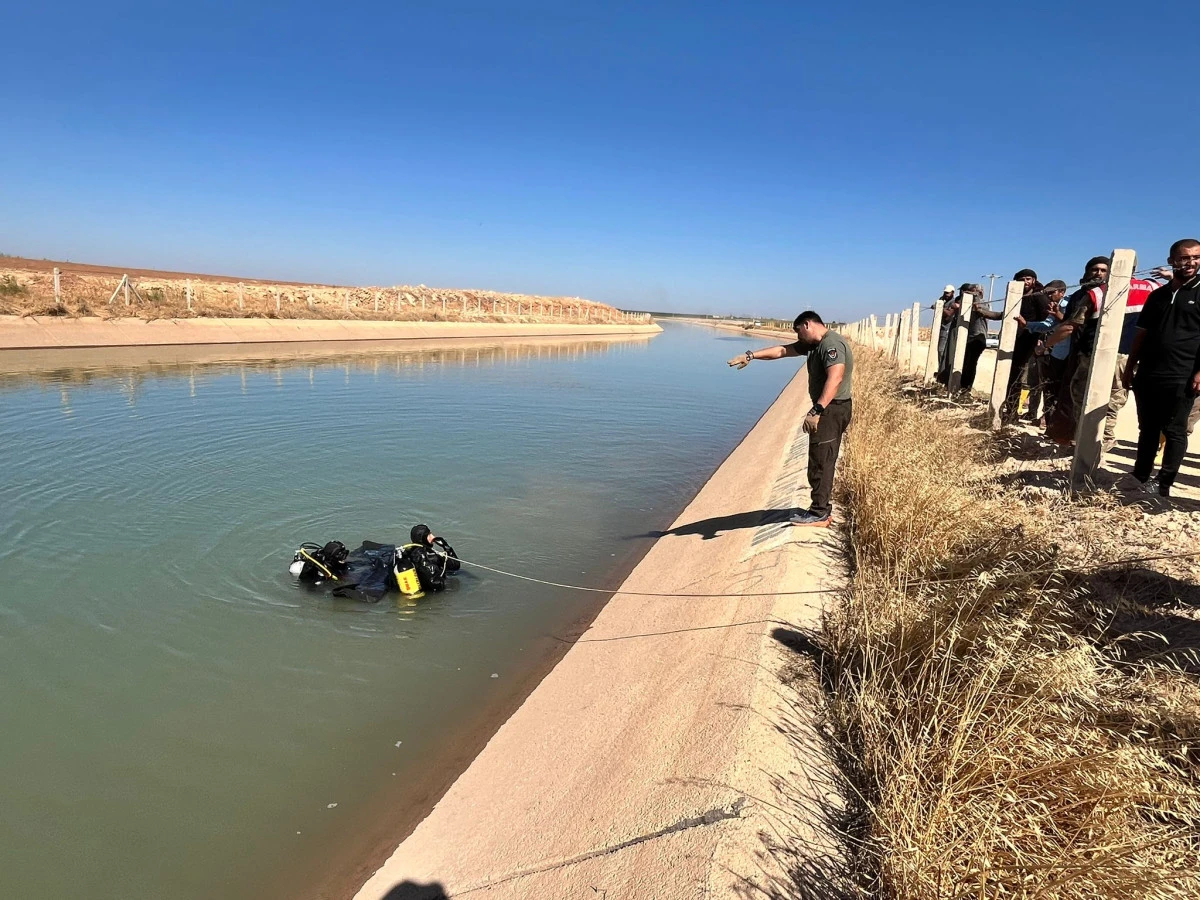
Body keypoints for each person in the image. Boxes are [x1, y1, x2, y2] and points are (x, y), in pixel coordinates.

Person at [727, 310, 853, 527]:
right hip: (829, 408)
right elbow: (781, 351)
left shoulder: (831, 344)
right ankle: (820, 509)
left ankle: (819, 514)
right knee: (819, 458)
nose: (798, 339)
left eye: (798, 333)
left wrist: (817, 410)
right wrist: (750, 356)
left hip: (832, 409)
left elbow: (836, 377)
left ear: (807, 325)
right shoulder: (814, 344)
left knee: (822, 460)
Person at [1121, 239, 1200, 497]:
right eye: (1184, 257)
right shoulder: (1157, 295)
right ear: (1171, 260)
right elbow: (1141, 334)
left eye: (1196, 257)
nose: (1190, 263)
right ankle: (1140, 474)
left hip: (1183, 373)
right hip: (1149, 372)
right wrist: (1131, 365)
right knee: (1148, 427)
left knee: (1175, 429)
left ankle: (1164, 483)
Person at [1015, 280, 1068, 424]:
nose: (1049, 295)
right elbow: (1046, 325)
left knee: (1058, 388)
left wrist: (1058, 315)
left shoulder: (1069, 304)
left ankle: (1053, 420)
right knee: (1045, 385)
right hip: (1055, 352)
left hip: (1067, 353)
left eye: (1052, 292)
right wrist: (1027, 325)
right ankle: (1046, 418)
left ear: (1062, 292)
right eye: (1047, 293)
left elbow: (1070, 325)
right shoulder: (1054, 307)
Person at [1002, 268, 1046, 421]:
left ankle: (1015, 410)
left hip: (1030, 342)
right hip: (1014, 341)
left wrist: (1040, 339)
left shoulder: (1039, 297)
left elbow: (1046, 321)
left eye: (1028, 279)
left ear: (1034, 280)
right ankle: (1010, 408)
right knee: (1011, 375)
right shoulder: (1015, 297)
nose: (1025, 282)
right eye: (1021, 279)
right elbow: (1005, 315)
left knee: (1022, 378)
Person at [960, 283, 1001, 391]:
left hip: (978, 339)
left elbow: (979, 308)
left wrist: (975, 296)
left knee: (971, 364)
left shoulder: (984, 304)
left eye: (974, 292)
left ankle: (966, 388)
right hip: (969, 338)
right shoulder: (968, 304)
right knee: (965, 363)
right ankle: (962, 386)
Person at [402, 524, 461, 592]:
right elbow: (435, 584)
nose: (433, 537)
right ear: (423, 538)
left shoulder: (409, 551)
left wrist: (446, 547)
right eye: (429, 534)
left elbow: (454, 566)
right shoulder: (423, 556)